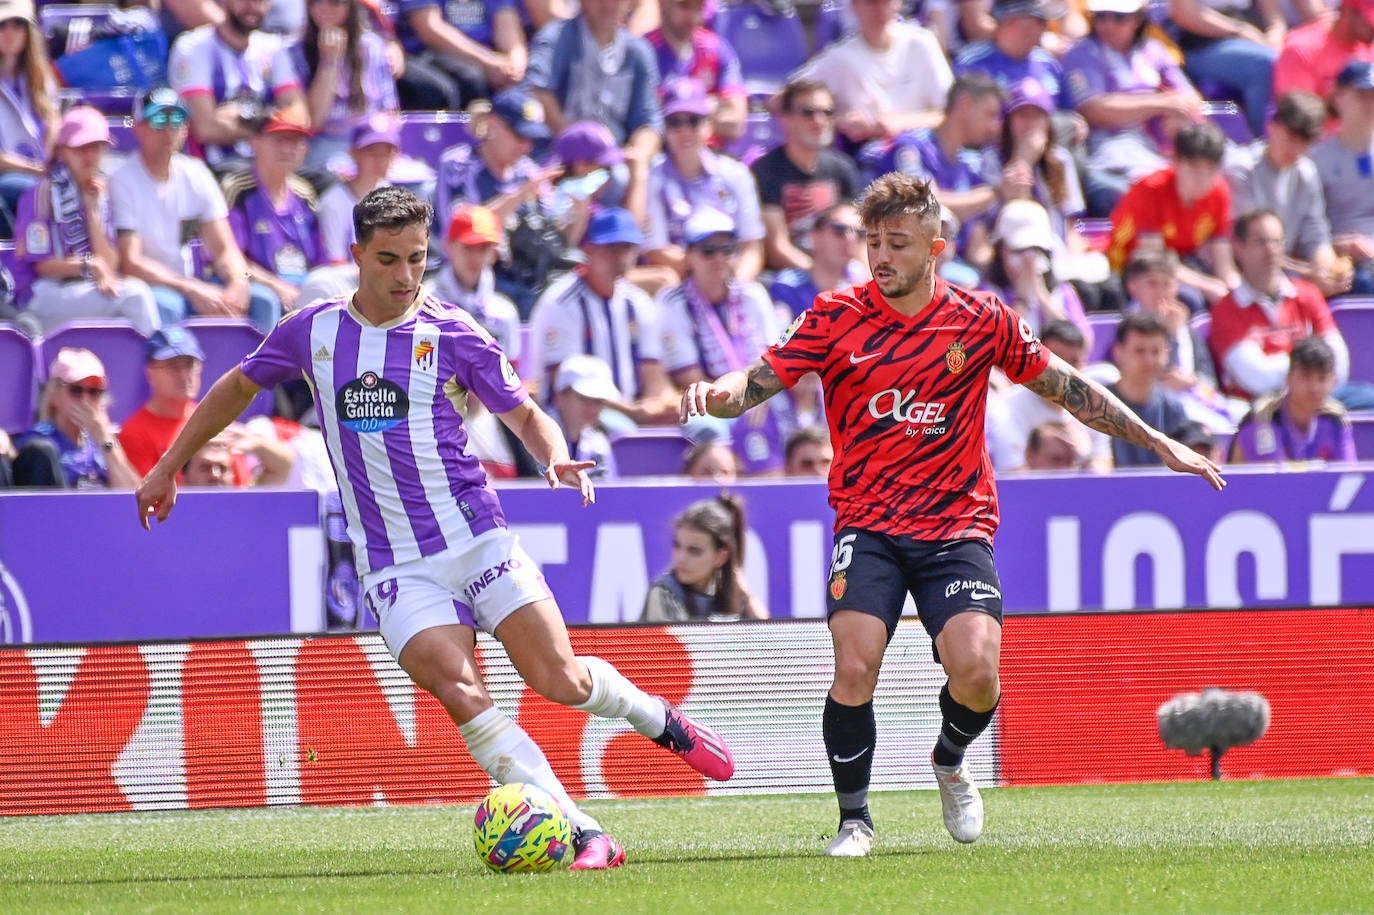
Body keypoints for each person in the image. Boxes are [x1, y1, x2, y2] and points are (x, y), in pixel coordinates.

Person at [134, 185, 736, 871]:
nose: (403, 276)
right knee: (461, 688)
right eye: (387, 259)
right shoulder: (312, 330)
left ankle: (656, 716)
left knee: (560, 680)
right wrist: (168, 466)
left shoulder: (453, 332)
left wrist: (555, 453)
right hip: (395, 564)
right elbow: (236, 388)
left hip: (477, 537)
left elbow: (524, 411)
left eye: (416, 259)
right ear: (355, 253)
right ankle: (582, 831)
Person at [679, 172, 1224, 857]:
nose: (881, 255)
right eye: (873, 241)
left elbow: (1066, 386)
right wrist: (716, 394)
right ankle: (855, 820)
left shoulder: (980, 318)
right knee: (854, 663)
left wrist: (1155, 440)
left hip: (956, 525)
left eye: (897, 242)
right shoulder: (833, 315)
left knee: (976, 670)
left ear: (935, 246)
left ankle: (949, 758)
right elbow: (756, 379)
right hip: (868, 523)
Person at [110, 87, 273, 331]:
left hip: (190, 282)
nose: (169, 128)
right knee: (168, 306)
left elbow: (225, 248)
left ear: (186, 129)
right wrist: (191, 287)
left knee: (262, 300)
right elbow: (130, 263)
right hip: (152, 285)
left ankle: (264, 370)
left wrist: (239, 282)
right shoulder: (122, 179)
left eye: (177, 119)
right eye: (158, 119)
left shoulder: (195, 171)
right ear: (139, 128)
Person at [11, 107, 160, 335]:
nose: (90, 156)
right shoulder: (41, 194)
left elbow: (109, 265)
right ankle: (160, 363)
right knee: (136, 297)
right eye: (80, 148)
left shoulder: (99, 195)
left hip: (79, 289)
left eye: (96, 147)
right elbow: (43, 266)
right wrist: (87, 265)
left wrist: (92, 212)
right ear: (63, 151)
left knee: (135, 297)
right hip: (40, 295)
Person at [525, 207, 677, 423]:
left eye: (627, 249)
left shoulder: (638, 302)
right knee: (617, 426)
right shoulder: (561, 303)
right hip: (574, 415)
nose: (620, 257)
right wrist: (632, 412)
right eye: (611, 248)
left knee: (696, 428)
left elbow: (653, 372)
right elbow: (568, 387)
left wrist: (659, 402)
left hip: (629, 410)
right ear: (588, 250)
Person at [1063, 0, 1202, 216]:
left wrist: (1166, 111)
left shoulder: (1154, 49)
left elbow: (1190, 99)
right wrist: (1161, 103)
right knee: (1154, 188)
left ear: (1138, 19)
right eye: (1101, 16)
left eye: (1118, 18)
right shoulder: (1082, 53)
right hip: (1109, 150)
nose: (1108, 25)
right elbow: (1095, 109)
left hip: (1157, 145)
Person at [1208, 209, 1350, 400]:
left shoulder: (1308, 294)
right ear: (1239, 248)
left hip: (1319, 396)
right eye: (1261, 242)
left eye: (1277, 242)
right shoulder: (1226, 311)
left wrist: (1296, 371)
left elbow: (1339, 365)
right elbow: (1258, 379)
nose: (1271, 250)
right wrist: (1314, 368)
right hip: (1259, 407)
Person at [1225, 91, 1352, 296]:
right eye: (1291, 137)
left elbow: (1315, 231)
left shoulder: (1306, 172)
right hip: (1242, 272)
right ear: (1272, 127)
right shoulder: (1242, 169)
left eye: (1305, 142)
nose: (1296, 148)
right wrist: (1307, 273)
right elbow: (1251, 243)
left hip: (1287, 271)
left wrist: (1327, 269)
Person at [644, 77, 765, 281]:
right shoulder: (651, 177)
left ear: (708, 124)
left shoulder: (736, 175)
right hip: (681, 288)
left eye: (693, 121)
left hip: (731, 281)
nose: (684, 131)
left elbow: (752, 248)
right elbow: (655, 251)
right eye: (675, 122)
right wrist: (709, 274)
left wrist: (735, 288)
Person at [1107, 121, 1239, 306]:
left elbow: (1224, 265)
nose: (1203, 180)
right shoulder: (1150, 190)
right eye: (1194, 169)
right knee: (1191, 300)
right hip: (1132, 264)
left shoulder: (1219, 192)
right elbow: (1155, 262)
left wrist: (1238, 291)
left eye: (1210, 171)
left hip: (1179, 262)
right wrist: (1206, 285)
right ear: (1175, 162)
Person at [167, 0, 308, 171]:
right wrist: (275, 124)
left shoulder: (273, 48)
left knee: (323, 182)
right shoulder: (193, 46)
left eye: (260, 2)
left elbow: (301, 118)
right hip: (211, 167)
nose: (252, 7)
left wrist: (242, 118)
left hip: (269, 167)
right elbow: (205, 128)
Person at [792, 0, 953, 146]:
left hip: (923, 151)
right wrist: (838, 121)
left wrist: (901, 123)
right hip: (867, 155)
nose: (879, 9)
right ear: (855, 6)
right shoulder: (839, 58)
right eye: (871, 3)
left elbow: (950, 114)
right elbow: (784, 99)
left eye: (886, 2)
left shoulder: (922, 43)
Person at [751, 79, 861, 272]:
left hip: (836, 274)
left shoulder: (843, 168)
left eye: (827, 112)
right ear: (786, 119)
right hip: (790, 277)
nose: (818, 121)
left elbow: (857, 235)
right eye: (808, 112)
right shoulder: (766, 171)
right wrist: (820, 276)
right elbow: (778, 249)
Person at [291, 0, 399, 169]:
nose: (324, 8)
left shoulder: (372, 47)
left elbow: (389, 112)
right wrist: (330, 61)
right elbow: (313, 121)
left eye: (335, 2)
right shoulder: (296, 51)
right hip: (321, 149)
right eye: (315, 2)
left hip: (369, 146)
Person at [12, 348, 141, 490]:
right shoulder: (38, 442)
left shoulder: (103, 445)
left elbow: (133, 500)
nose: (85, 400)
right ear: (54, 395)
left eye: (94, 391)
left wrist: (105, 439)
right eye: (76, 390)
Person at [1229, 335, 1358, 463]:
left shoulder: (1335, 421)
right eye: (1305, 377)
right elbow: (1276, 480)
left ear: (1333, 382)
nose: (1314, 387)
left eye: (1322, 378)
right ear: (1289, 378)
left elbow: (1347, 476)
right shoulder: (1263, 419)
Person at [642, 494, 768, 622]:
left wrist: (746, 596)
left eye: (694, 551)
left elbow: (766, 634)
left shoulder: (730, 590)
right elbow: (677, 641)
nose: (681, 558)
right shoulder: (663, 591)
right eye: (677, 545)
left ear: (721, 557)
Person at [1105, 312, 1205, 467]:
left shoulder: (1173, 408)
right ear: (1118, 352)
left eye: (1156, 351)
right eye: (1139, 351)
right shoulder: (1099, 402)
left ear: (1167, 354)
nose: (1149, 360)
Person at [1169, 0, 1281, 139]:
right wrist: (1239, 30)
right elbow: (1184, 14)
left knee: (1283, 57)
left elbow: (1274, 16)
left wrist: (1276, 35)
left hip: (1252, 35)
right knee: (1263, 64)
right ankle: (1265, 145)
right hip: (1202, 44)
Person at [1310, 61, 1374, 294]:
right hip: (1345, 260)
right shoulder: (1317, 159)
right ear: (1338, 99)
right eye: (1361, 95)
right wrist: (1339, 245)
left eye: (1373, 95)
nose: (1370, 103)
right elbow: (1310, 225)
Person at [644, 0, 748, 144]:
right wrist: (711, 106)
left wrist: (675, 113)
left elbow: (735, 124)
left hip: (712, 156)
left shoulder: (717, 49)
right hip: (661, 156)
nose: (691, 15)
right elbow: (646, 123)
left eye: (698, 7)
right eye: (684, 5)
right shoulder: (645, 51)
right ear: (663, 3)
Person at [392, 0, 527, 110]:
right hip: (429, 56)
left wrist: (514, 68)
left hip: (491, 65)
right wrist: (487, 63)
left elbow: (509, 29)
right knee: (470, 78)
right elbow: (429, 28)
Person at [0, 0, 57, 238]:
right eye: (3, 26)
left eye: (19, 25)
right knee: (32, 189)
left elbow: (55, 123)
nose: (11, 33)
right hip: (8, 177)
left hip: (43, 171)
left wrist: (50, 162)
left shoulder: (41, 79)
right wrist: (36, 169)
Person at [954, 0, 1072, 109]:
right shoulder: (972, 64)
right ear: (1011, 21)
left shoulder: (1048, 64)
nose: (1045, 28)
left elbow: (1066, 112)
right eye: (1040, 21)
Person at [1273, 0, 1374, 115]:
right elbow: (1297, 119)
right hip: (1324, 131)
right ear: (1349, 12)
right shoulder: (1301, 49)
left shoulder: (1369, 48)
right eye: (1370, 22)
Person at [550, 354, 620, 477]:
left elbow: (606, 492)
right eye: (583, 398)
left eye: (598, 400)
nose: (592, 408)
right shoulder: (535, 437)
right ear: (559, 397)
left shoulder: (599, 444)